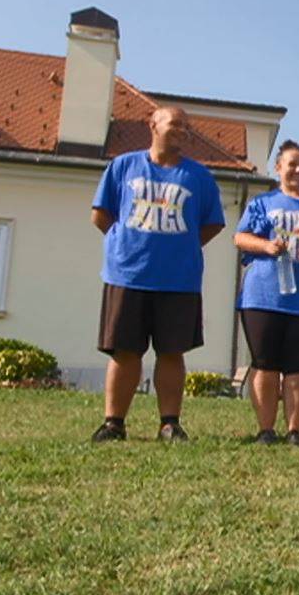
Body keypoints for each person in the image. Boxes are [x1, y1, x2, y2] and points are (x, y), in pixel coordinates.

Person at [89, 106, 226, 443]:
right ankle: (114, 423)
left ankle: (169, 424)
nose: (182, 130)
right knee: (125, 351)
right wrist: (126, 245)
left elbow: (212, 224)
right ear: (153, 125)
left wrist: (179, 248)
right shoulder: (123, 166)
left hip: (179, 280)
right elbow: (100, 215)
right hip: (128, 276)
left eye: (187, 127)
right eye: (175, 124)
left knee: (171, 351)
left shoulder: (199, 176)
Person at [234, 140, 299, 446]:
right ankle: (265, 430)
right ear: (278, 168)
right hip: (262, 295)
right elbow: (240, 238)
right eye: (292, 164)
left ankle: (295, 430)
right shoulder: (261, 203)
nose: (298, 170)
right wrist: (266, 246)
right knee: (265, 363)